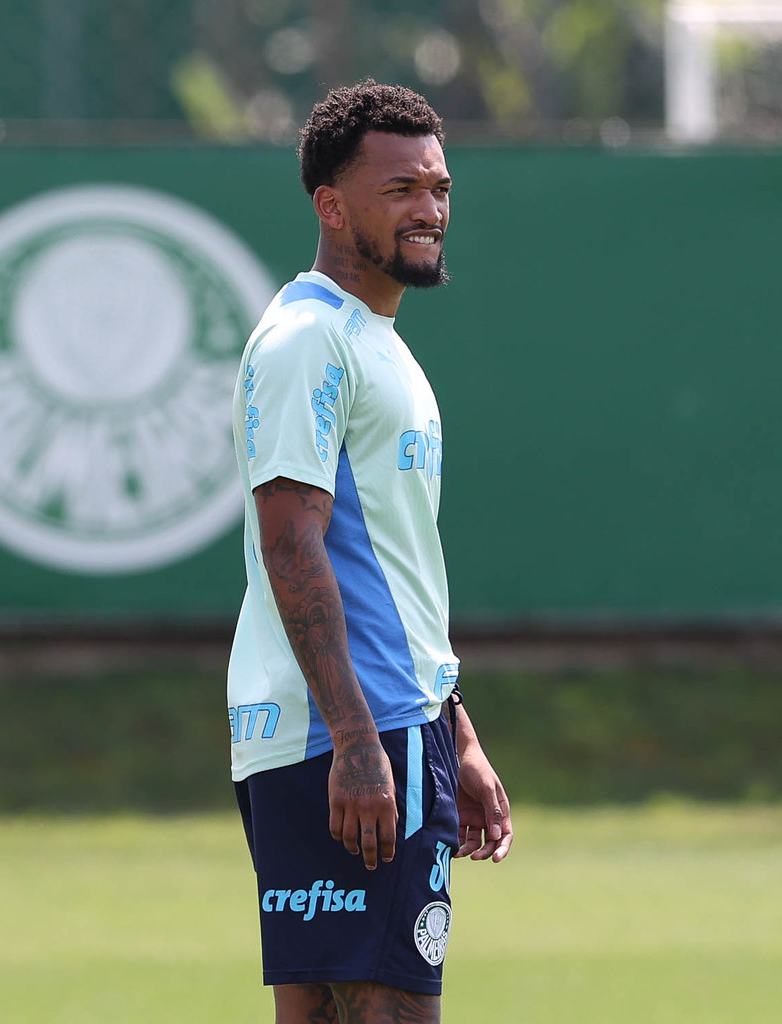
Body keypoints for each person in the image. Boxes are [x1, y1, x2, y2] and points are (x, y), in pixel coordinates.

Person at [228, 79, 513, 1024]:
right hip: (352, 728)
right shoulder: (308, 338)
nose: (429, 209)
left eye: (438, 187)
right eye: (399, 190)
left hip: (391, 720)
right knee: (387, 1009)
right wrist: (358, 739)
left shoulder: (375, 341)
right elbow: (290, 540)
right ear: (331, 204)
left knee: (326, 1011)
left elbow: (389, 564)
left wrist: (454, 731)